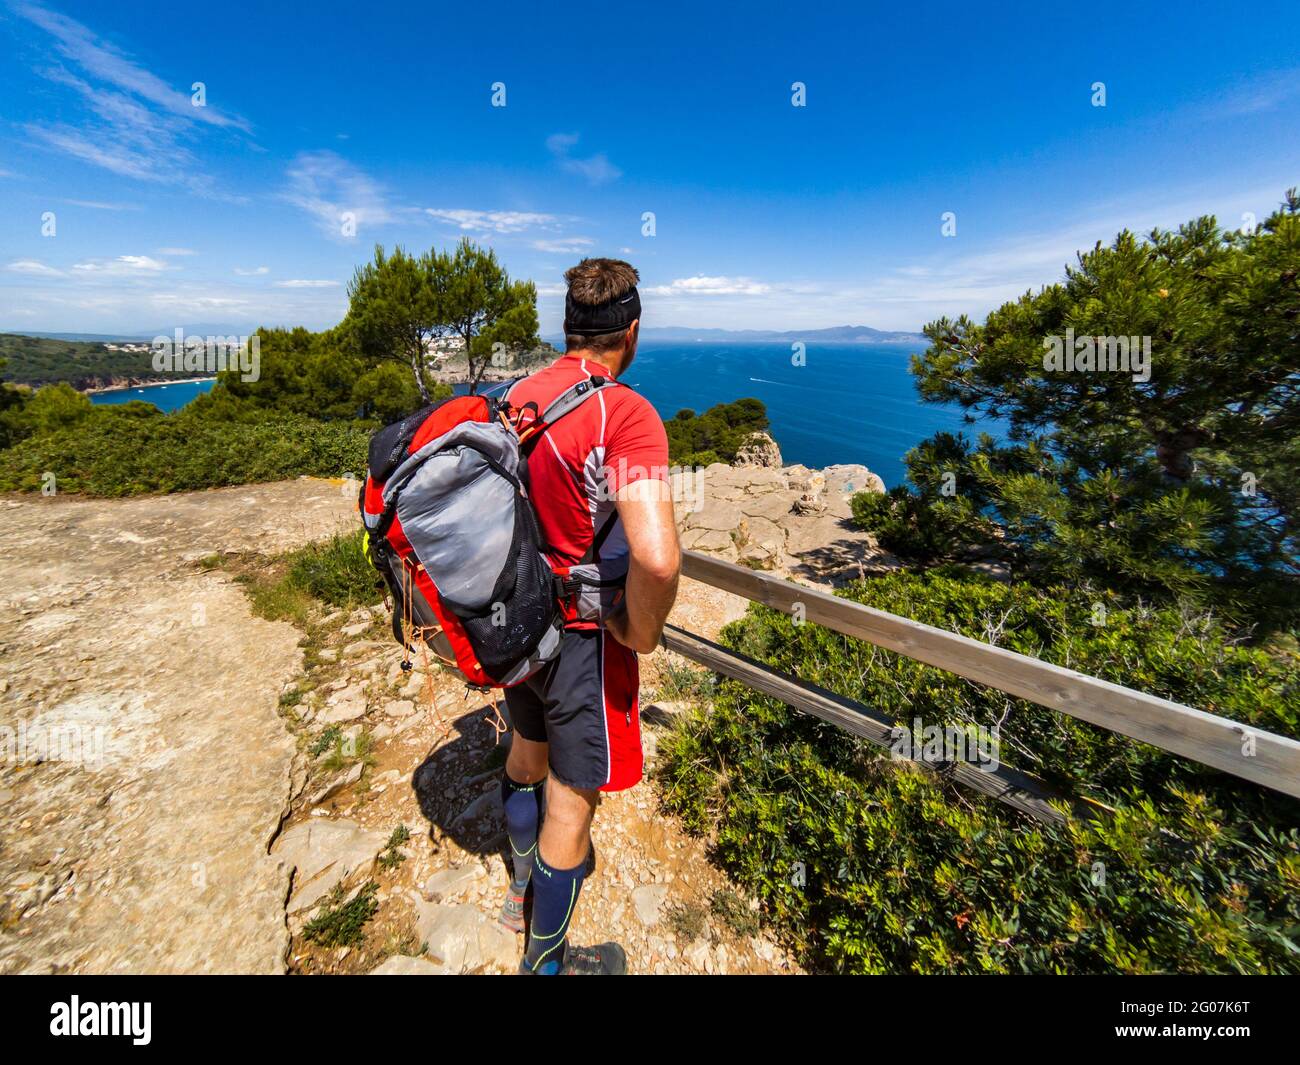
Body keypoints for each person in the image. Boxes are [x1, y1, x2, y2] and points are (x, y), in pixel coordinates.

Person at [498, 258, 680, 975]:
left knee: (524, 751)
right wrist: (641, 629)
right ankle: (545, 966)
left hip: (515, 623)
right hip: (580, 640)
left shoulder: (515, 397)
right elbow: (658, 558)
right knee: (571, 806)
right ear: (630, 332)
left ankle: (518, 893)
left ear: (568, 327)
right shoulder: (626, 415)